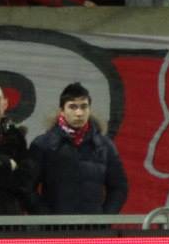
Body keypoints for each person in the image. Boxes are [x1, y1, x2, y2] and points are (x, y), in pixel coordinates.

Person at [27, 83, 126, 214]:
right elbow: (27, 188)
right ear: (62, 110)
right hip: (55, 225)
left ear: (89, 109)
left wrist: (103, 219)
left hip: (93, 225)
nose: (79, 113)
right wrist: (46, 219)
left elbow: (119, 187)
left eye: (84, 107)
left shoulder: (105, 146)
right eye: (72, 107)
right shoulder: (42, 145)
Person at [0, 80, 33, 215]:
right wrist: (5, 163)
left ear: (5, 103)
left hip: (9, 213)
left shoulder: (16, 135)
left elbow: (24, 176)